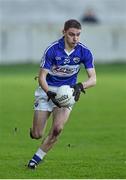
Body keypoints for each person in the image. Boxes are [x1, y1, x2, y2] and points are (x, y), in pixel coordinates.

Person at [27, 19, 96, 169]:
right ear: (64, 32)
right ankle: (33, 132)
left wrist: (79, 86)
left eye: (78, 35)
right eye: (71, 34)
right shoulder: (52, 49)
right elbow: (41, 77)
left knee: (57, 129)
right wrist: (49, 92)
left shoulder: (84, 51)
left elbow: (93, 79)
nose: (75, 38)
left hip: (66, 93)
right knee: (38, 134)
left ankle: (35, 160)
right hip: (47, 90)